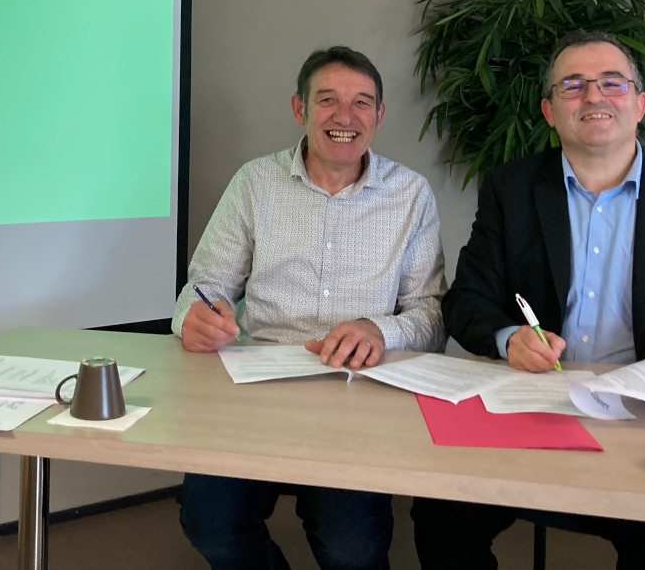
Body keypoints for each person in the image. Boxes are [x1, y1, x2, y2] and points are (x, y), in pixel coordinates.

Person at [411, 29, 645, 570]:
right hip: (534, 408)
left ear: (640, 104)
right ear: (549, 111)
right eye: (573, 85)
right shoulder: (511, 190)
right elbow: (467, 299)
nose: (593, 96)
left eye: (612, 82)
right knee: (439, 511)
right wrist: (508, 337)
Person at [172, 45, 447, 570]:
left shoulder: (411, 195)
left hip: (357, 395)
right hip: (256, 390)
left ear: (379, 114)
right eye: (327, 100)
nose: (346, 117)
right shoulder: (254, 183)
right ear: (299, 108)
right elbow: (205, 285)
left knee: (353, 549)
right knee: (209, 520)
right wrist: (194, 316)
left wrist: (379, 331)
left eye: (361, 102)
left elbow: (431, 316)